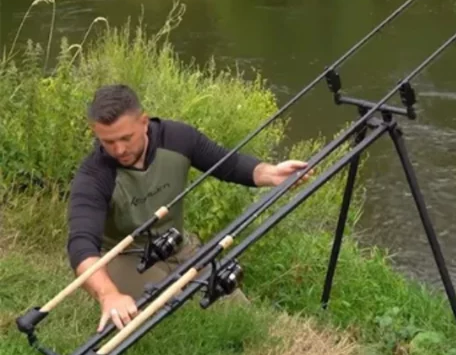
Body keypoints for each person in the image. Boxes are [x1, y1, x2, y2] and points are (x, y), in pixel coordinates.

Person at [67, 84, 309, 333]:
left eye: (126, 138)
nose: (119, 149)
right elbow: (81, 245)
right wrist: (108, 294)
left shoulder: (178, 138)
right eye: (108, 141)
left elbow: (229, 164)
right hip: (124, 256)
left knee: (235, 311)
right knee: (173, 316)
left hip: (176, 244)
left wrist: (271, 173)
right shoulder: (93, 176)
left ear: (144, 122)